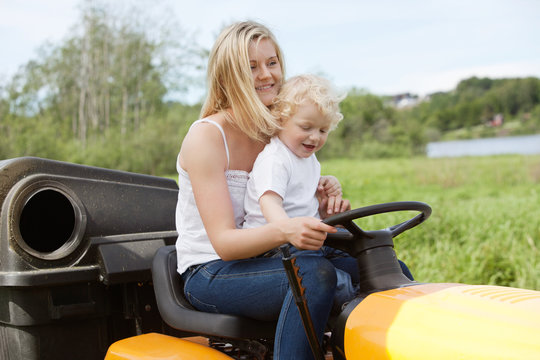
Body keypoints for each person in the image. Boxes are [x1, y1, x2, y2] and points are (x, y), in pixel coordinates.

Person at [175, 21, 346, 359]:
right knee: (313, 275)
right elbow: (224, 244)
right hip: (211, 270)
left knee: (374, 263)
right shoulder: (207, 138)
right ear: (228, 77)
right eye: (251, 67)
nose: (267, 74)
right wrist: (286, 229)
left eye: (271, 62)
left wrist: (319, 201)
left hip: (266, 258)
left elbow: (288, 190)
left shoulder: (276, 129)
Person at [243, 74, 359, 308]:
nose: (315, 137)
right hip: (275, 248)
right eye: (306, 127)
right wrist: (287, 231)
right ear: (280, 120)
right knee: (338, 281)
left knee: (367, 259)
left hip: (307, 243)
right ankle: (350, 309)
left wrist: (328, 184)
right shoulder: (276, 159)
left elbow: (304, 194)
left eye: (323, 130)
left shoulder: (308, 159)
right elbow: (269, 203)